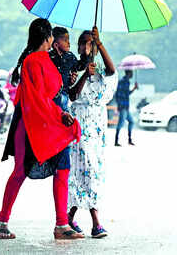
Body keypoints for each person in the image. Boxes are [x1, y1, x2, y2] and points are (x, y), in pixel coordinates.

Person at [0, 18, 84, 240]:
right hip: (32, 125)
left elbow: (52, 91)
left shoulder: (44, 59)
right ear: (47, 38)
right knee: (20, 172)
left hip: (49, 122)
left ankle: (62, 224)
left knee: (62, 166)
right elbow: (37, 98)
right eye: (52, 35)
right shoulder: (33, 61)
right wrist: (59, 113)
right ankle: (3, 221)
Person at [68, 26, 118, 238]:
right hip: (79, 122)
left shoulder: (99, 68)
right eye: (84, 42)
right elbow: (72, 95)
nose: (86, 46)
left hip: (97, 124)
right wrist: (82, 76)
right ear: (79, 46)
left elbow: (112, 71)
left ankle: (68, 217)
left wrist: (100, 43)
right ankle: (96, 221)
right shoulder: (73, 67)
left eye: (91, 43)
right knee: (82, 167)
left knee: (93, 170)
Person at [114, 70, 138, 146]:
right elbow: (118, 94)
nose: (132, 75)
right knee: (121, 123)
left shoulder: (126, 82)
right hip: (123, 106)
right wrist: (119, 105)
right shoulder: (123, 81)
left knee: (131, 121)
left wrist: (134, 88)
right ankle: (116, 141)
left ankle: (129, 139)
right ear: (128, 73)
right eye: (131, 73)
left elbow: (126, 93)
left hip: (126, 107)